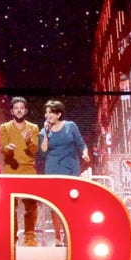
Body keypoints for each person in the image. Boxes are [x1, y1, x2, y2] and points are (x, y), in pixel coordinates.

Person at [40, 99, 89, 245]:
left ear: (59, 114)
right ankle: (57, 237)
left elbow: (81, 144)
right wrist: (46, 133)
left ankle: (70, 235)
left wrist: (85, 154)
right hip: (53, 168)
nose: (47, 115)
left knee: (71, 202)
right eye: (46, 112)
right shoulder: (44, 131)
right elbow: (43, 150)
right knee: (54, 203)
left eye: (50, 112)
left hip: (70, 167)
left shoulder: (70, 126)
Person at [0, 96, 40, 245]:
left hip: (29, 170)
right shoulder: (4, 127)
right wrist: (8, 149)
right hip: (11, 170)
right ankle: (12, 237)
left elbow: (34, 150)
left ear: (26, 111)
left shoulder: (33, 128)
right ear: (11, 111)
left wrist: (28, 140)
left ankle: (30, 237)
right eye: (16, 108)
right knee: (11, 206)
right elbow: (3, 148)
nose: (19, 110)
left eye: (21, 108)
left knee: (31, 205)